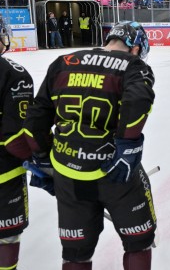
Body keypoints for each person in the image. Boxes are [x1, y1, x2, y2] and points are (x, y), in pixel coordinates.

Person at [19, 21, 157, 270]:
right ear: (135, 48)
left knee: (75, 252)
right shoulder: (133, 65)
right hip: (115, 172)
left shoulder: (64, 62)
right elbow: (137, 103)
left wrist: (42, 157)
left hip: (68, 173)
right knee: (139, 242)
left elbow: (34, 121)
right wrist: (127, 147)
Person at [0, 16, 34, 270]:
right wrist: (42, 162)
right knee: (7, 235)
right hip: (4, 174)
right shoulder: (14, 74)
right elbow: (15, 136)